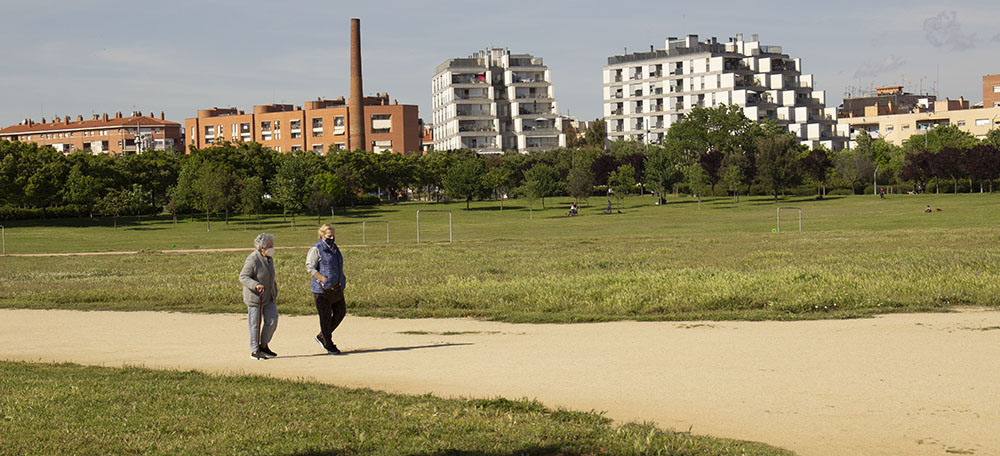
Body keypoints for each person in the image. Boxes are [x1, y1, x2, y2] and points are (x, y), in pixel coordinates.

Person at [306, 223, 347, 355]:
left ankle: (322, 336)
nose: (332, 238)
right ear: (322, 235)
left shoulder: (335, 248)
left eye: (333, 235)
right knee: (325, 317)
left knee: (341, 312)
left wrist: (342, 279)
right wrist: (321, 277)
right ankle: (328, 343)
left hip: (336, 287)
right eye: (329, 235)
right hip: (321, 290)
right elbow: (310, 267)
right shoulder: (316, 249)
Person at [239, 233, 279, 360]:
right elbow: (243, 277)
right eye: (269, 246)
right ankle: (255, 350)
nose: (272, 248)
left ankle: (264, 345)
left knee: (272, 320)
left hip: (269, 296)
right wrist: (255, 285)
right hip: (255, 298)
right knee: (255, 324)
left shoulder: (269, 259)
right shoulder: (253, 259)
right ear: (261, 248)